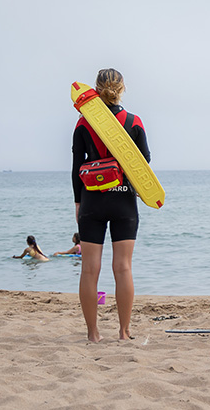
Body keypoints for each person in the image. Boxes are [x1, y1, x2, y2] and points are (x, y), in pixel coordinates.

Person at [72, 68, 151, 342]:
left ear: (96, 88)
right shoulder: (134, 121)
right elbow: (144, 164)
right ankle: (124, 332)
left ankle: (93, 334)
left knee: (90, 270)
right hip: (124, 201)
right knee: (124, 268)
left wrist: (78, 203)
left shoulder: (84, 123)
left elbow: (75, 168)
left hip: (92, 201)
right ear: (122, 88)